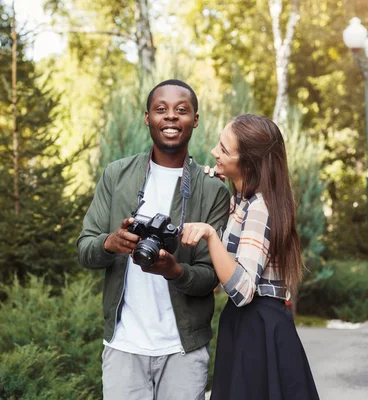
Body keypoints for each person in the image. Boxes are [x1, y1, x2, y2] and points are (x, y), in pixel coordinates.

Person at [77, 79, 230, 400]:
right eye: (161, 110)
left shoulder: (212, 189)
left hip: (183, 349)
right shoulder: (115, 175)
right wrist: (111, 243)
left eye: (182, 110)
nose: (171, 117)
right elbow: (85, 249)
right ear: (147, 118)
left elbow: (209, 277)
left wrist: (173, 270)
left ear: (196, 120)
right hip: (123, 346)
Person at [182, 114, 320, 400]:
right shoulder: (245, 201)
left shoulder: (259, 208)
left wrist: (209, 234)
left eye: (224, 150)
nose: (214, 152)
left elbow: (243, 290)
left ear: (248, 164)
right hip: (252, 326)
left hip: (258, 328)